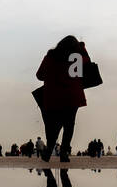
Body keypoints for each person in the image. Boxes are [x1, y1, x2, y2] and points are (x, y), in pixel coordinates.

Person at [33, 35, 94, 163]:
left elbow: (39, 75)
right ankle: (64, 153)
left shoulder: (50, 57)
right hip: (72, 97)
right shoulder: (76, 58)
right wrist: (82, 48)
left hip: (53, 96)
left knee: (54, 125)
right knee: (69, 125)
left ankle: (49, 150)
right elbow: (88, 63)